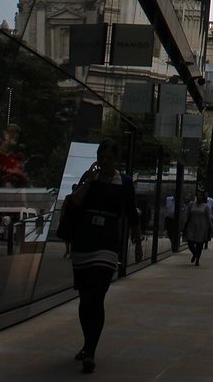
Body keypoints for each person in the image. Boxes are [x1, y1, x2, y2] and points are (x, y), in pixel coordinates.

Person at [69, 139, 143, 374]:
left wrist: (138, 243)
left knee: (97, 295)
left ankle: (90, 350)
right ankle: (86, 340)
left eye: (108, 157)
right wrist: (89, 181)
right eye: (101, 157)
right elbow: (75, 202)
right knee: (85, 297)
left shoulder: (125, 182)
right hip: (85, 240)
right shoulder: (89, 178)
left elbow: (132, 214)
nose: (104, 161)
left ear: (116, 159)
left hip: (107, 243)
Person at [181, 188, 213, 266]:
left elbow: (208, 218)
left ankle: (197, 258)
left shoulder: (206, 206)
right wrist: (184, 223)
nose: (199, 197)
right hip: (191, 226)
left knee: (199, 244)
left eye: (200, 196)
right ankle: (194, 253)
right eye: (197, 196)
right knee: (190, 242)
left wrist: (211, 227)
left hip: (202, 227)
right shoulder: (191, 204)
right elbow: (187, 214)